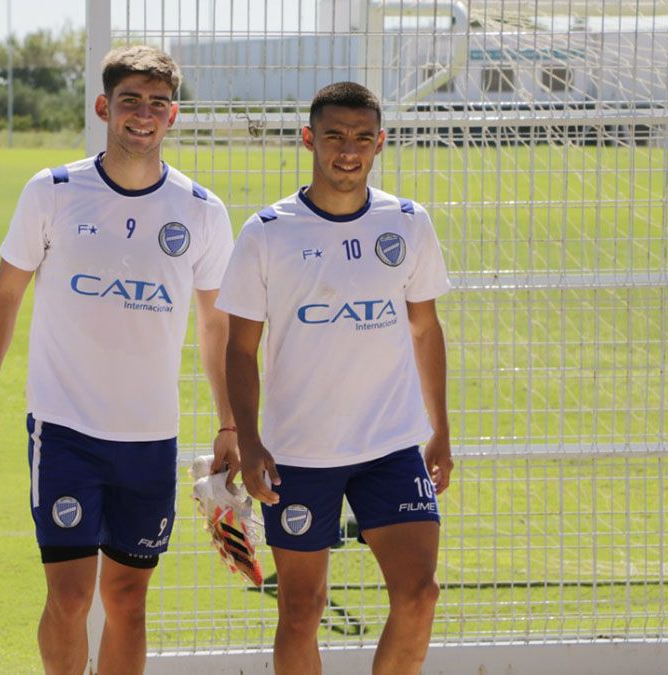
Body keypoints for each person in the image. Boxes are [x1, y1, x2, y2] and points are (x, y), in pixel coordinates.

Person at [0, 45, 237, 675]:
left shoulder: (201, 211)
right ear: (103, 106)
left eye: (158, 104)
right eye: (130, 101)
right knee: (70, 596)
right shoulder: (53, 191)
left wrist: (230, 425)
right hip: (65, 431)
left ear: (173, 116)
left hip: (148, 438)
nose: (144, 115)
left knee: (128, 601)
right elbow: (4, 295)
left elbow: (216, 325)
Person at [219, 81, 452, 675]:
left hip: (390, 447)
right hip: (299, 453)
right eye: (333, 137)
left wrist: (440, 432)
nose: (347, 151)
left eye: (361, 138)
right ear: (308, 140)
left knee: (420, 594)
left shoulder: (408, 222)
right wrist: (249, 442)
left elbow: (425, 331)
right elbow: (240, 349)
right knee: (301, 607)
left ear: (379, 144)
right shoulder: (268, 231)